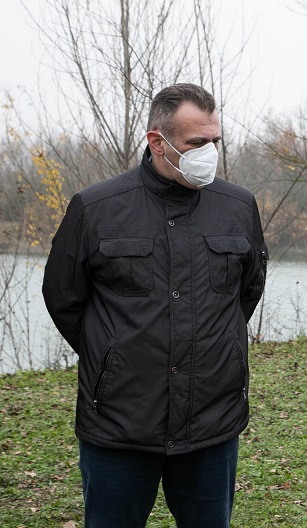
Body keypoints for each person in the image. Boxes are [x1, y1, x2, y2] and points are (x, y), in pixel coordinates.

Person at [42, 83, 267, 528]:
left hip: (211, 423)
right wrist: (113, 357)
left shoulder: (238, 206)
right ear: (157, 141)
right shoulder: (95, 208)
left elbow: (247, 291)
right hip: (120, 425)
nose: (209, 152)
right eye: (196, 144)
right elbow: (64, 299)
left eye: (214, 142)